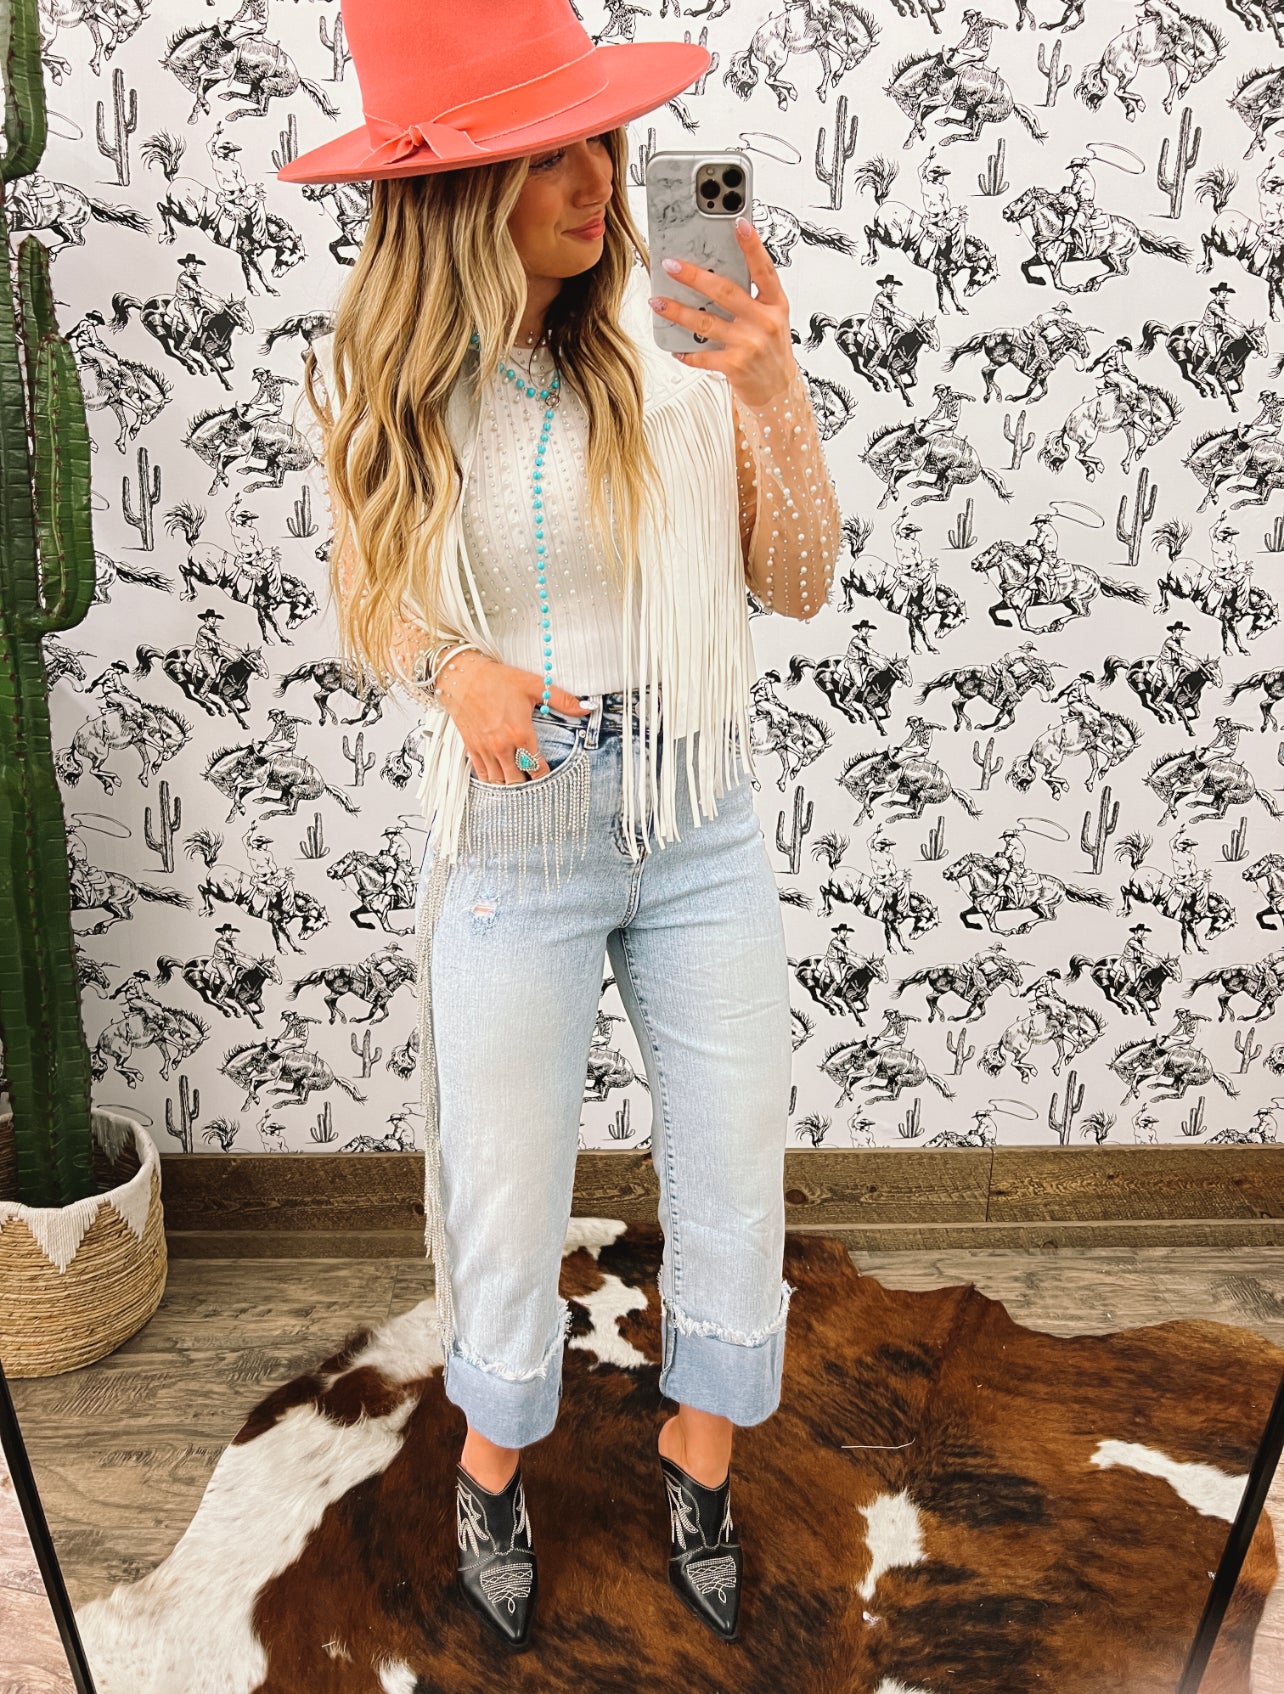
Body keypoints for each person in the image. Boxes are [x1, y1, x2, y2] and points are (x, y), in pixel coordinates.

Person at [276, 0, 843, 1652]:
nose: (598, 179)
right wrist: (454, 669)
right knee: (505, 1188)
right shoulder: (392, 380)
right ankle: (496, 1454)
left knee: (734, 1156)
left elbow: (797, 580)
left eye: (601, 138)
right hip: (516, 838)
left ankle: (700, 1448)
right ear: (457, 193)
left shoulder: (678, 331)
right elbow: (375, 598)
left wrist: (771, 385)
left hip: (696, 810)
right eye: (548, 156)